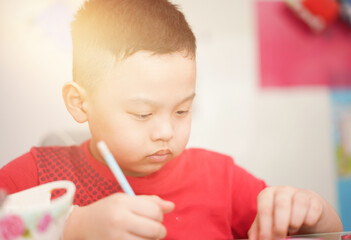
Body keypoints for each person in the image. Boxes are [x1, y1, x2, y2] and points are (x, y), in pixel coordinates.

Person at [0, 0, 343, 239]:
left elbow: (321, 233)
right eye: (143, 114)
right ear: (79, 103)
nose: (166, 131)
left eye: (182, 110)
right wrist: (69, 228)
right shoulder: (35, 177)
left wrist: (319, 218)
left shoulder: (223, 182)